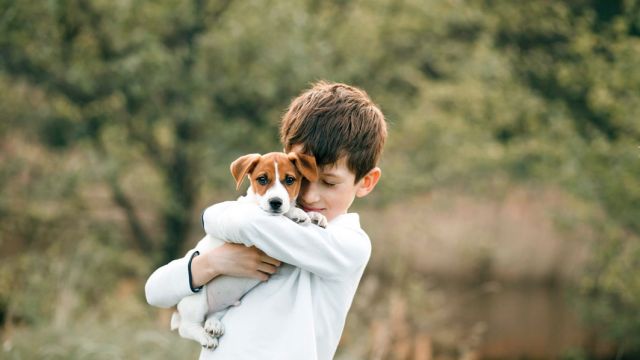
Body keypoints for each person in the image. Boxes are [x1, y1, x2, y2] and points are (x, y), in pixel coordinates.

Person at [145, 81, 387, 359]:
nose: (310, 196)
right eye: (300, 178)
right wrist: (212, 263)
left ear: (366, 182)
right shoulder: (258, 222)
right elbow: (155, 292)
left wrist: (211, 215)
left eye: (329, 183)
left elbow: (247, 224)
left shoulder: (347, 244)